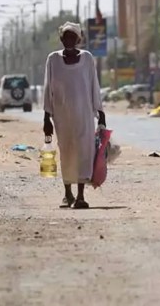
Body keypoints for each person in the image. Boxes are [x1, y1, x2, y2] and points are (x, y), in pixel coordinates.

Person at [42, 22, 106, 209]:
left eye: (72, 37)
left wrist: (100, 114)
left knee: (84, 153)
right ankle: (67, 193)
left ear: (78, 40)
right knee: (67, 153)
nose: (69, 40)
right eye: (65, 37)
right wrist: (47, 117)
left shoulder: (87, 59)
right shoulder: (52, 60)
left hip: (84, 115)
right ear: (61, 39)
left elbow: (94, 86)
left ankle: (80, 196)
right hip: (62, 116)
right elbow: (48, 89)